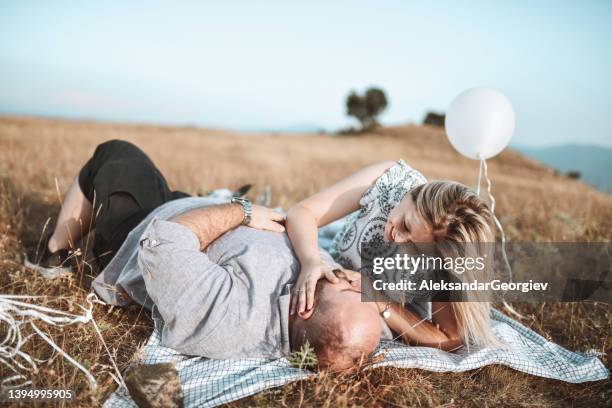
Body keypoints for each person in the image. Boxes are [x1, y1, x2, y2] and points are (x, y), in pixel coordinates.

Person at [25, 140, 382, 371]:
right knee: (151, 176)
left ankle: (53, 253)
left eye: (351, 289)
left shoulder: (233, 314)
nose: (355, 280)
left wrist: (241, 210)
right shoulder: (322, 292)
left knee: (116, 156)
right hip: (193, 207)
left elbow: (162, 243)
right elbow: (371, 312)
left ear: (304, 308)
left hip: (140, 230)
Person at [285, 160, 499, 350]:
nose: (398, 238)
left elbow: (449, 337)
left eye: (416, 248)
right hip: (329, 262)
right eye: (405, 224)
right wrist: (311, 260)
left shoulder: (445, 255)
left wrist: (380, 302)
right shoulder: (391, 180)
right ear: (411, 193)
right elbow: (302, 212)